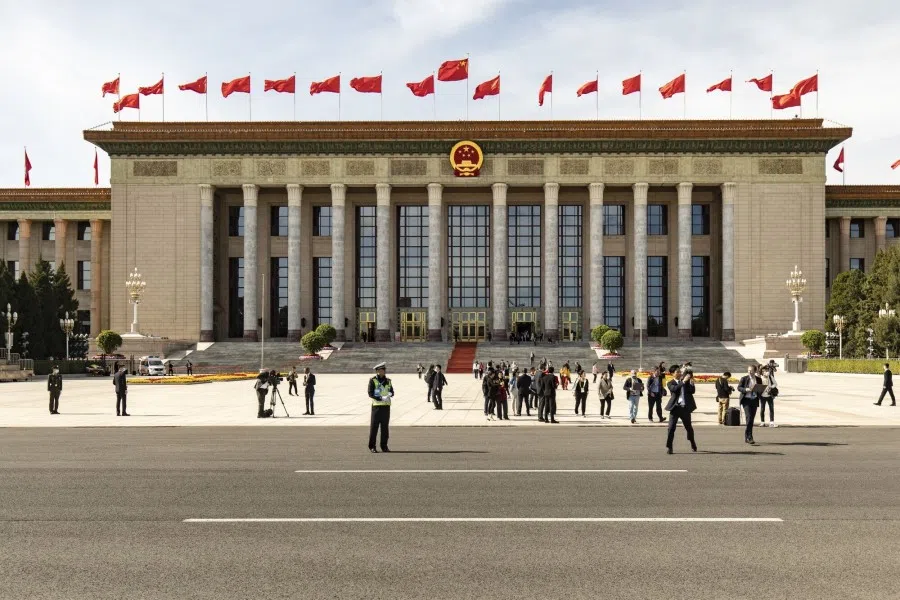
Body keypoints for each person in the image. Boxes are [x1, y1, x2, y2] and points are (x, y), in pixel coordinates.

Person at [665, 368, 698, 454]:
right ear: (672, 374)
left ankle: (692, 442)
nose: (680, 373)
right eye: (677, 372)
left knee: (689, 428)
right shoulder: (670, 383)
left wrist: (692, 384)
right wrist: (683, 382)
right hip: (675, 408)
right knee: (671, 428)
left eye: (680, 372)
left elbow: (692, 391)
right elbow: (674, 389)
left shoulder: (686, 381)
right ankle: (669, 446)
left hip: (685, 408)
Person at [367, 362, 393, 453]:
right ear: (377, 371)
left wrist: (390, 394)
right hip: (376, 407)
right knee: (374, 428)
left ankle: (384, 446)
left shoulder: (388, 380)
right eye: (382, 370)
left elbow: (392, 392)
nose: (384, 371)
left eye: (384, 370)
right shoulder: (373, 380)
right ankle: (372, 446)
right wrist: (381, 397)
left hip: (386, 407)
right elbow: (370, 393)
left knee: (385, 428)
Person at [738, 365, 762, 444]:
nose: (750, 372)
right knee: (749, 418)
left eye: (751, 371)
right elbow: (739, 388)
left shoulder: (758, 379)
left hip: (754, 400)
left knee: (751, 420)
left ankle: (746, 437)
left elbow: (760, 389)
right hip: (746, 400)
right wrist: (746, 389)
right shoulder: (744, 378)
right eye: (748, 370)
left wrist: (761, 390)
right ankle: (750, 437)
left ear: (755, 371)